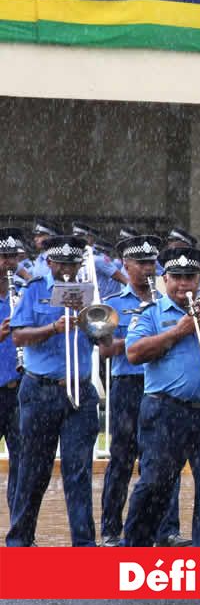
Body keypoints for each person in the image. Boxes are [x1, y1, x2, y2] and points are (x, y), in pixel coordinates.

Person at [122, 246, 200, 547]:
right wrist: (177, 332)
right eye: (177, 277)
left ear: (199, 280)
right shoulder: (150, 313)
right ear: (165, 279)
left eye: (190, 277)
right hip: (165, 411)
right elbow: (134, 353)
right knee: (155, 484)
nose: (183, 285)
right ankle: (135, 548)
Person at [6, 236, 103, 547]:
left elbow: (104, 340)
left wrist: (93, 320)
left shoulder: (89, 292)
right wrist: (53, 328)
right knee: (33, 471)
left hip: (80, 391)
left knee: (79, 472)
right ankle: (20, 541)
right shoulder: (34, 288)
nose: (67, 270)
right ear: (49, 263)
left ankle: (84, 545)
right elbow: (19, 336)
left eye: (73, 264)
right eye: (61, 264)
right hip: (40, 390)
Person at [99, 235, 185, 548]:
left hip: (161, 387)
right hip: (130, 384)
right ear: (126, 265)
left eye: (152, 263)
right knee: (122, 458)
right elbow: (106, 351)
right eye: (142, 263)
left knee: (165, 459)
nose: (148, 268)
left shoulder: (167, 303)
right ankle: (111, 530)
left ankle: (167, 530)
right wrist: (138, 343)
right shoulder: (114, 304)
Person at [0, 228, 24, 517]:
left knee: (23, 462)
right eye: (3, 257)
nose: (9, 263)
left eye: (12, 257)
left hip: (18, 389)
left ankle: (20, 530)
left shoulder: (22, 295)